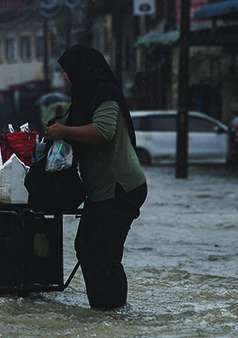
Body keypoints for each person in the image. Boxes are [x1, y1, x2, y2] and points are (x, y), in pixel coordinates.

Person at [45, 44, 148, 311]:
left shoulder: (105, 95)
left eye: (67, 71)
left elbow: (103, 132)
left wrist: (64, 131)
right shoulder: (84, 99)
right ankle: (102, 310)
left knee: (103, 255)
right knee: (87, 248)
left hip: (120, 188)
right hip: (102, 191)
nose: (65, 77)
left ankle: (113, 314)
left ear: (81, 71)